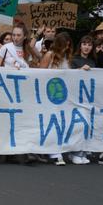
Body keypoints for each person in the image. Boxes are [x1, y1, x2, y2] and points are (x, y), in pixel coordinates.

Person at [39, 32, 76, 165]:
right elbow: (39, 73)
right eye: (64, 45)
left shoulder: (66, 57)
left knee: (61, 122)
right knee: (52, 122)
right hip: (49, 94)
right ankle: (54, 152)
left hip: (62, 96)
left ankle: (56, 150)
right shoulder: (49, 55)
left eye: (68, 45)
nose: (66, 47)